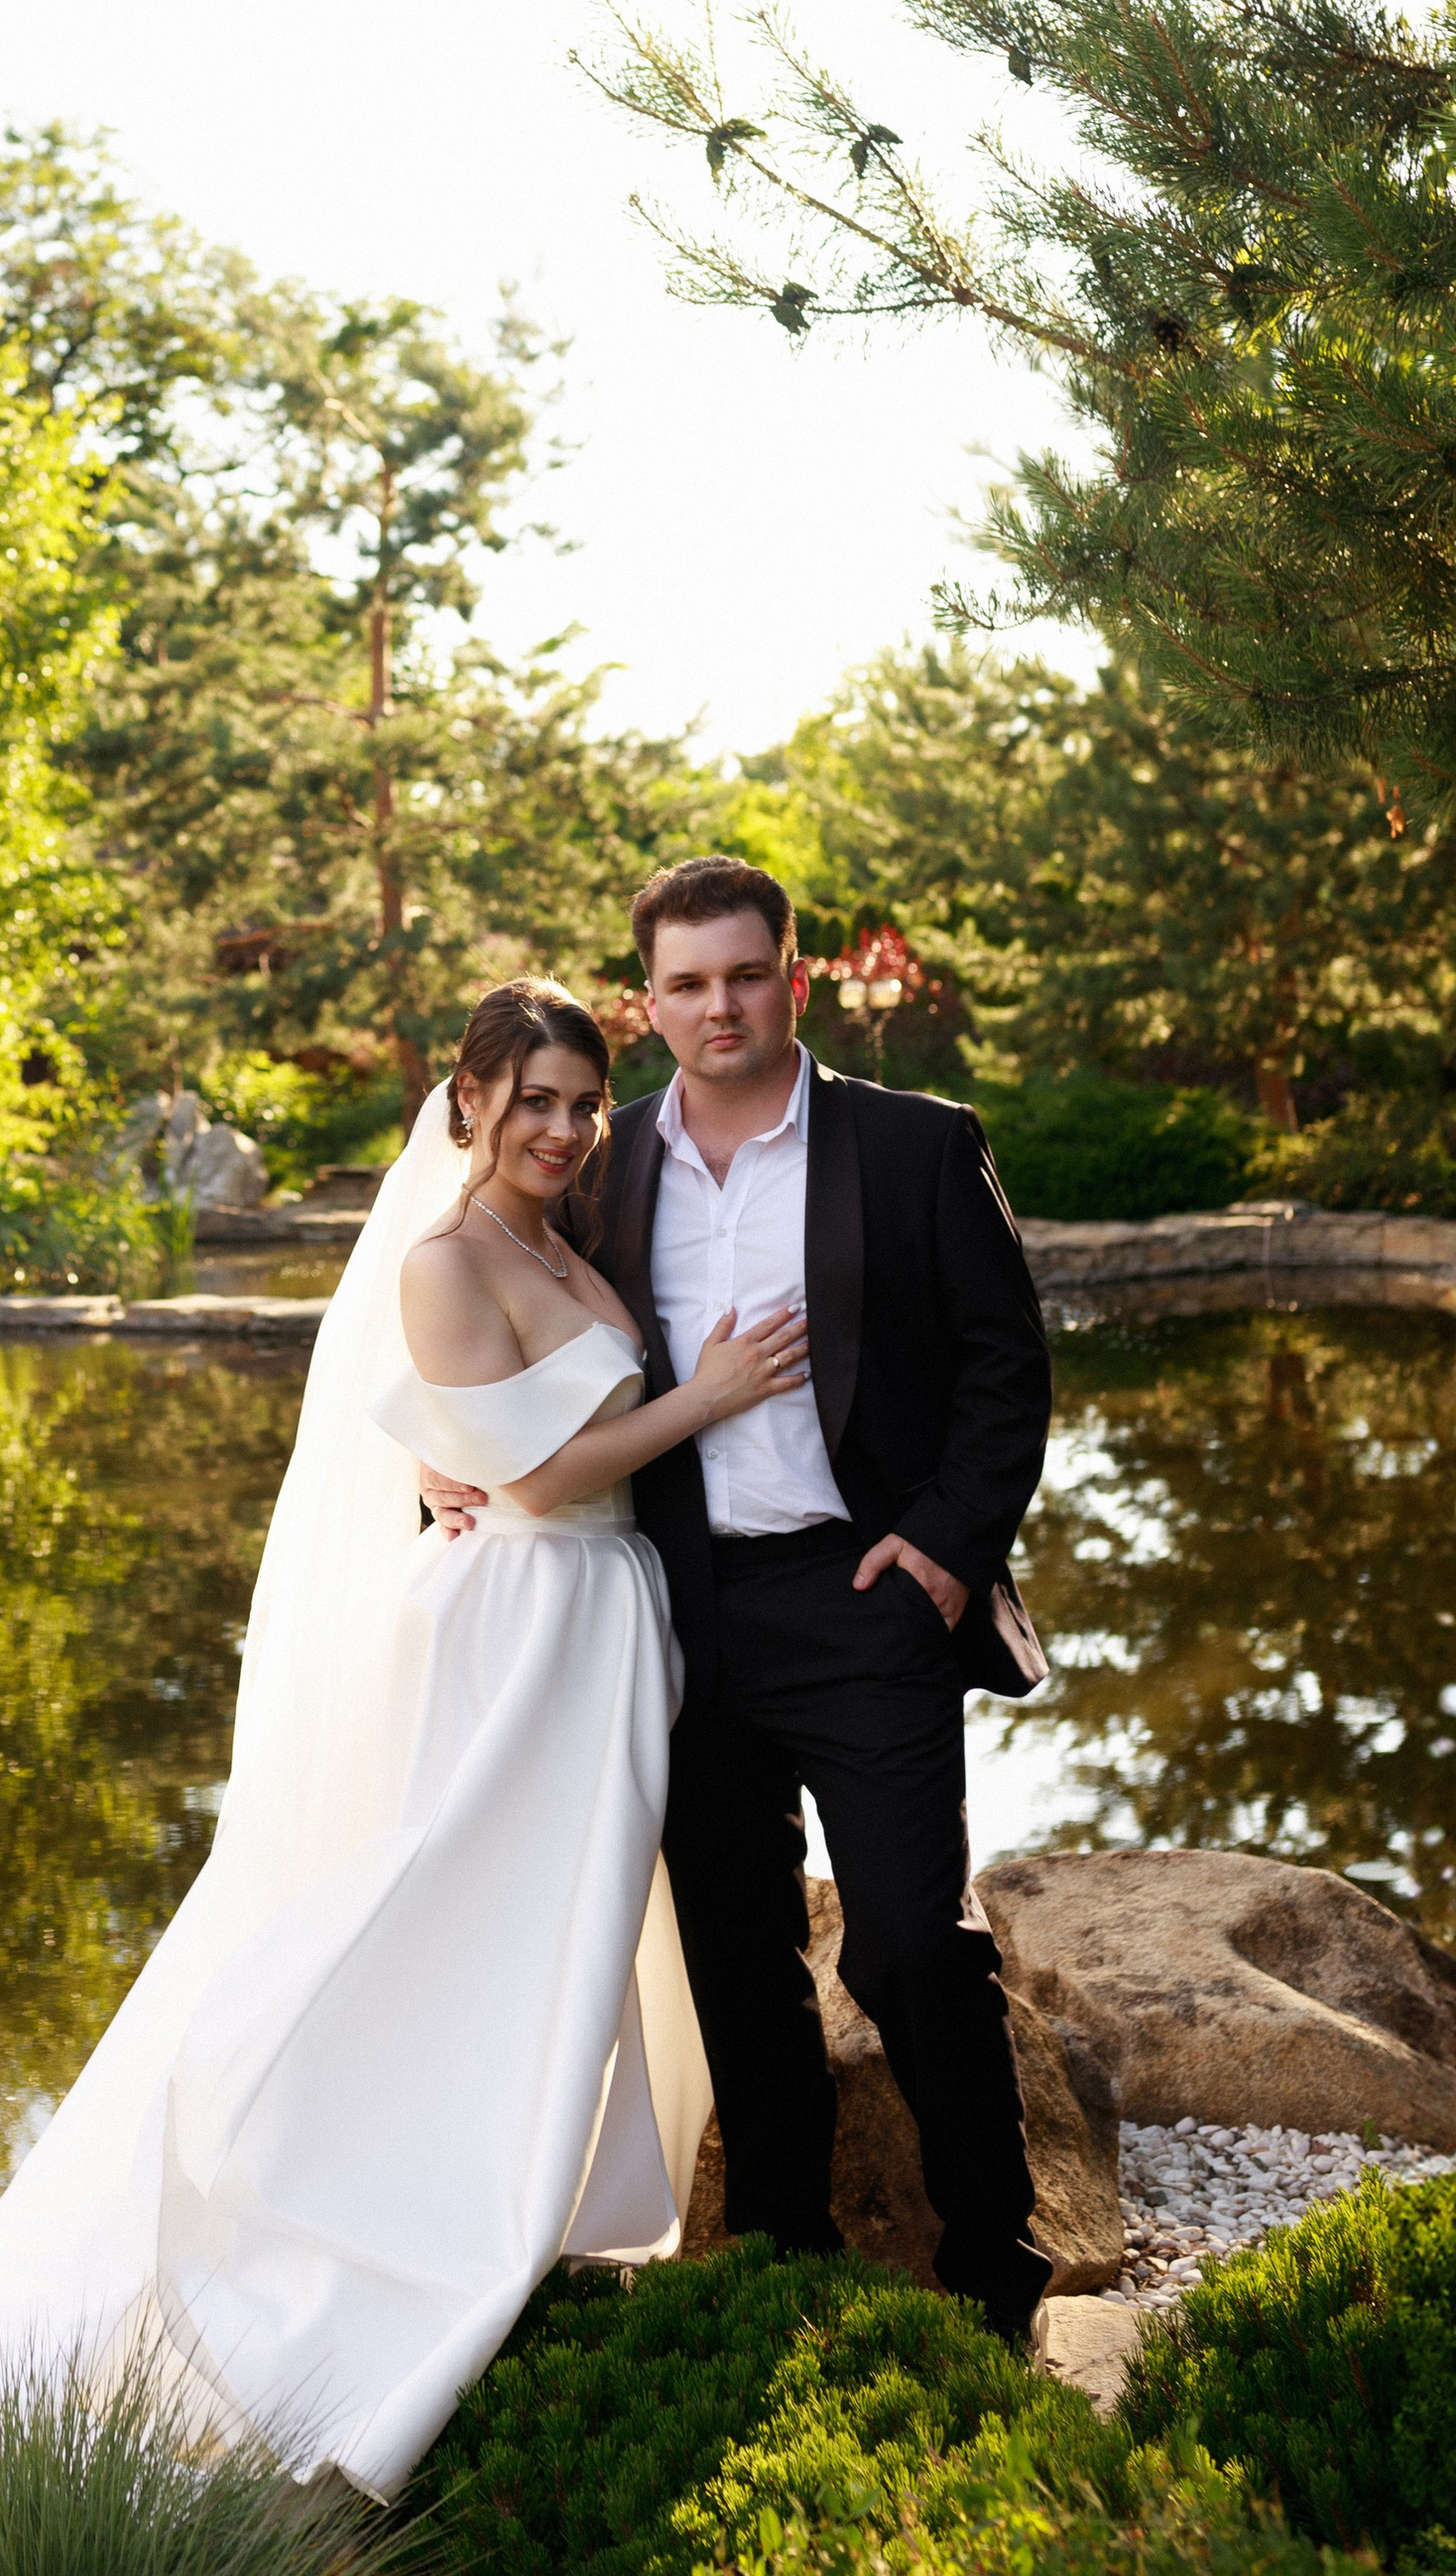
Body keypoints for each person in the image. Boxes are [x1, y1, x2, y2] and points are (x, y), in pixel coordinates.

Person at [0, 979, 800, 2497]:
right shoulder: (443, 1263)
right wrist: (712, 1395)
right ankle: (335, 2187)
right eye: (532, 1098)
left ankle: (527, 2203)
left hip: (597, 1630)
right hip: (521, 1630)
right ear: (469, 1100)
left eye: (580, 1101)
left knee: (565, 1924)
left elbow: (485, 1448)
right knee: (464, 1908)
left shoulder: (567, 1238)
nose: (561, 1126)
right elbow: (541, 1479)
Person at [427, 861, 1053, 2334]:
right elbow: (476, 1314)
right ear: (649, 1001)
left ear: (797, 976)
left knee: (910, 1942)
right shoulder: (601, 1162)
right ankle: (786, 2269)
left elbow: (1003, 1365)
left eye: (746, 975)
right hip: (673, 1611)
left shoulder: (915, 1147)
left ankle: (995, 2277)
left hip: (865, 1596)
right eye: (688, 984)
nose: (720, 1007)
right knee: (737, 1961)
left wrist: (944, 1549)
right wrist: (440, 1465)